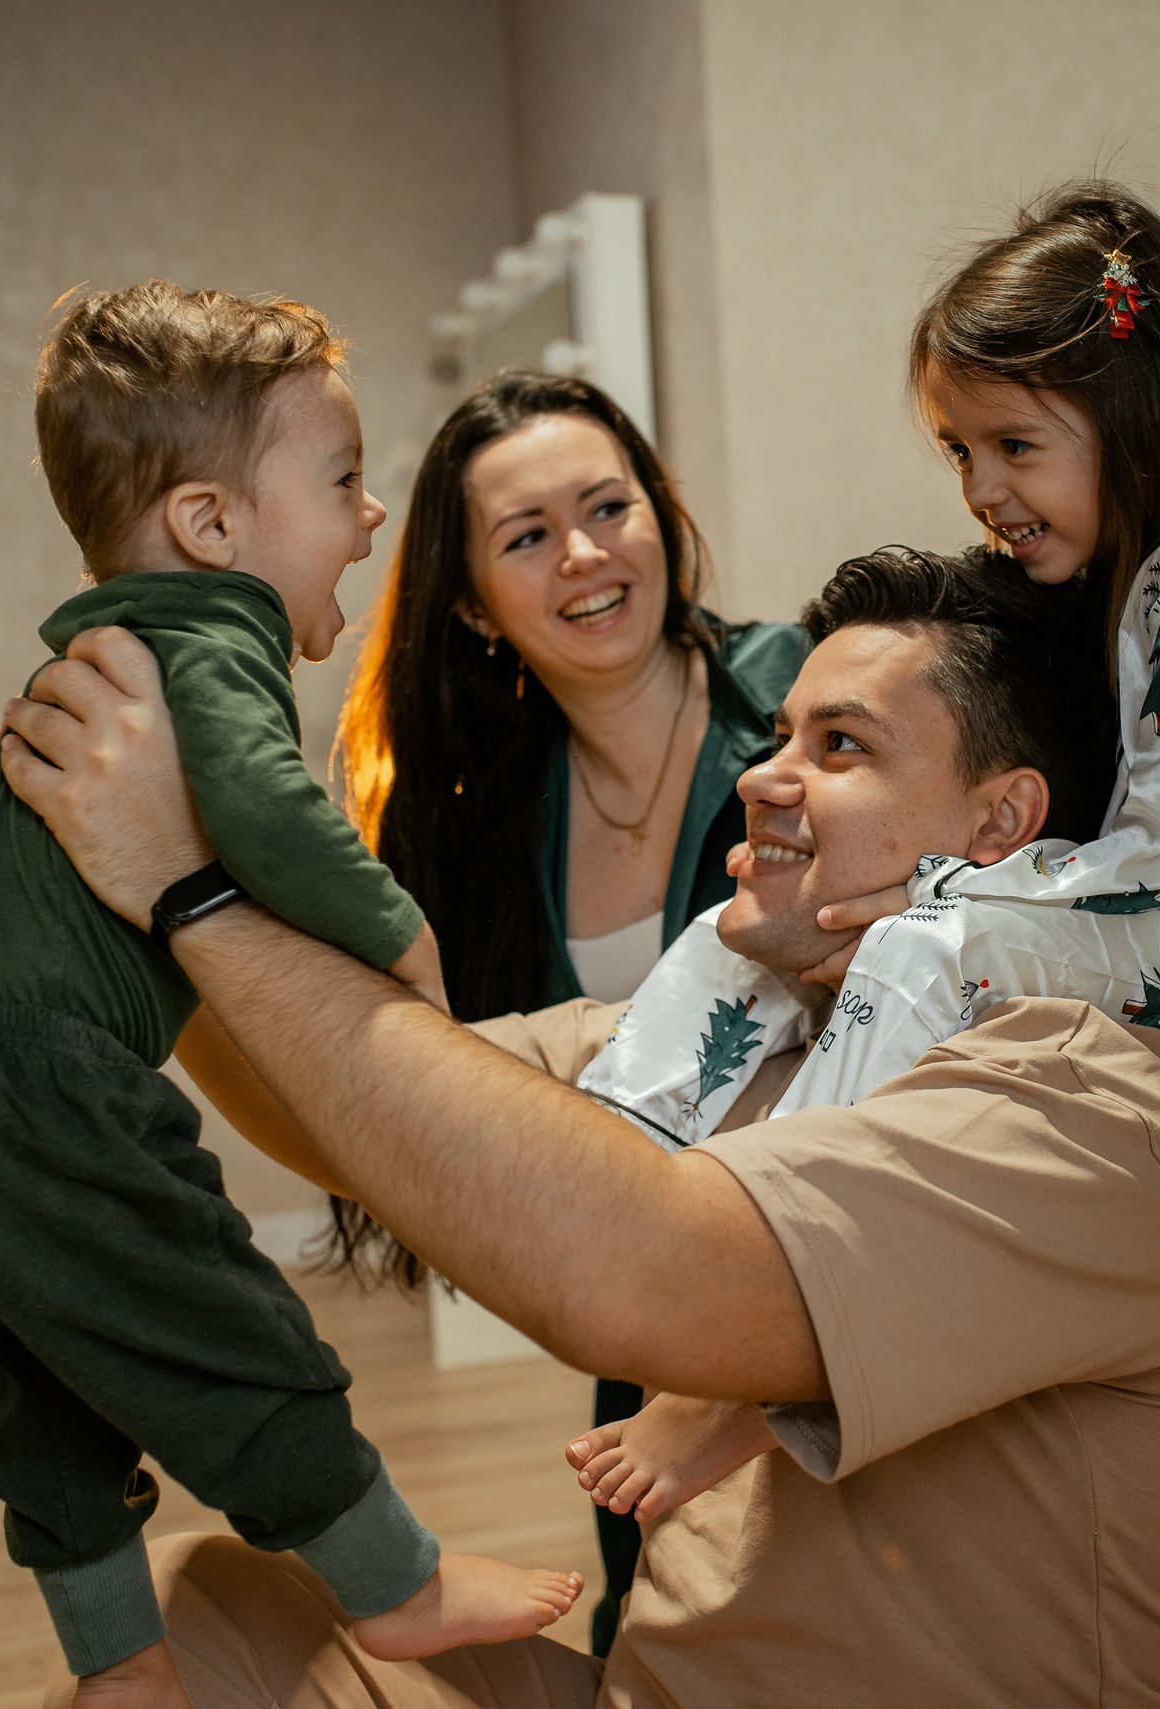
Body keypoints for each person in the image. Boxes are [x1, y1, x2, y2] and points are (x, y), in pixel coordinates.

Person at [0, 558, 1160, 1705]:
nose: (764, 778)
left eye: (839, 747)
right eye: (781, 734)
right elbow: (355, 1106)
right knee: (196, 1614)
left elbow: (633, 1276)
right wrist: (107, 884)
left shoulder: (1088, 1103)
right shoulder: (736, 1032)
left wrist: (189, 895)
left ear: (1001, 823)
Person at [0, 282, 580, 1697]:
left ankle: (120, 1663)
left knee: (35, 1407)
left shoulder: (102, 652)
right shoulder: (210, 636)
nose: (372, 518)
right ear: (212, 527)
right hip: (37, 1096)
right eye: (346, 479)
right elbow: (262, 802)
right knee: (234, 1338)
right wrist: (397, 940)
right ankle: (398, 1579)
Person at [584, 183, 1160, 1155]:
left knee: (911, 947)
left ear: (1135, 414)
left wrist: (929, 892)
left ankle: (783, 1216)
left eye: (1013, 446)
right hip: (1141, 919)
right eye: (959, 451)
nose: (980, 490)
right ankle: (605, 1160)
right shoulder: (1126, 571)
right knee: (768, 926)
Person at [324, 373, 804, 1651]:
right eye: (528, 534)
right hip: (643, 1304)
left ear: (661, 516)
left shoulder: (799, 701)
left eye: (609, 506)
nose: (586, 554)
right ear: (476, 602)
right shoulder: (472, 817)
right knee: (659, 1640)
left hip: (831, 1274)